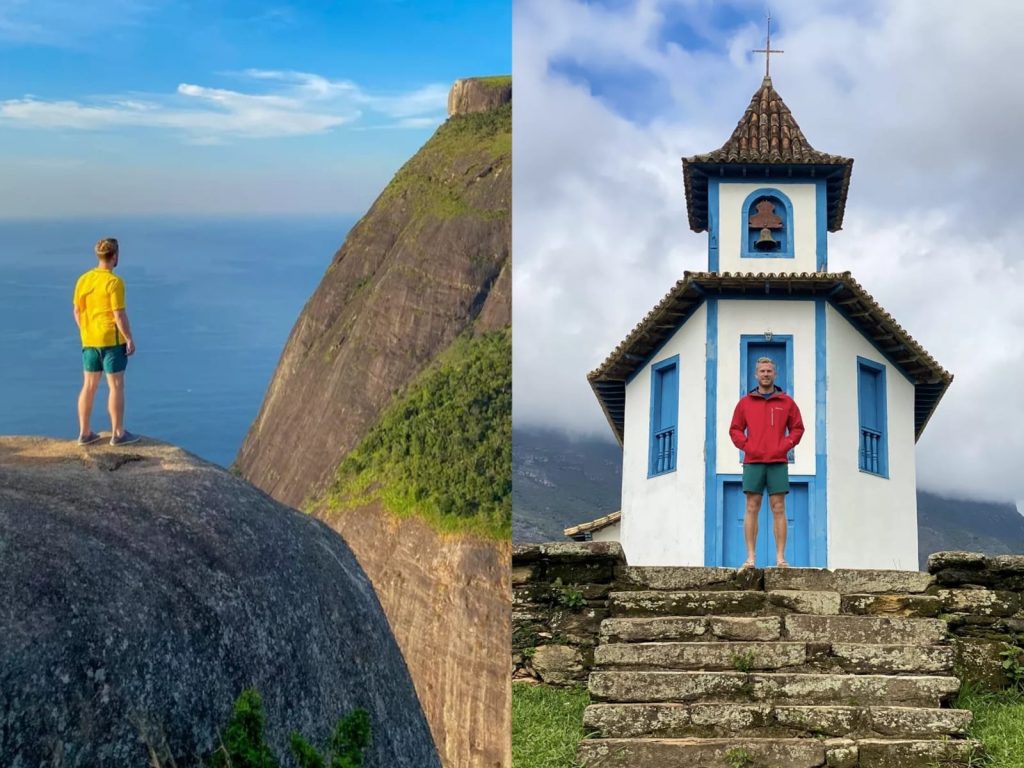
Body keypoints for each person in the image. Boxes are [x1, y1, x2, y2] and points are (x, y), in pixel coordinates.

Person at [728, 356, 804, 569]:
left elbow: (798, 428)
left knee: (778, 507)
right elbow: (734, 429)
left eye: (769, 371)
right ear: (756, 375)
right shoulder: (745, 403)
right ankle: (750, 558)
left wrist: (786, 444)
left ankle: (781, 558)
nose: (766, 374)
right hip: (753, 461)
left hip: (778, 461)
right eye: (762, 371)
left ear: (775, 374)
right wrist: (747, 446)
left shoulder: (786, 402)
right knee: (752, 506)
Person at [73, 237, 140, 446]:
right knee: (116, 386)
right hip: (111, 341)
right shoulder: (114, 282)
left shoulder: (84, 279)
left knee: (89, 386)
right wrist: (129, 338)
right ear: (115, 256)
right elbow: (118, 314)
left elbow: (77, 310)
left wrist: (85, 330)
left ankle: (85, 433)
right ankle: (118, 434)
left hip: (89, 341)